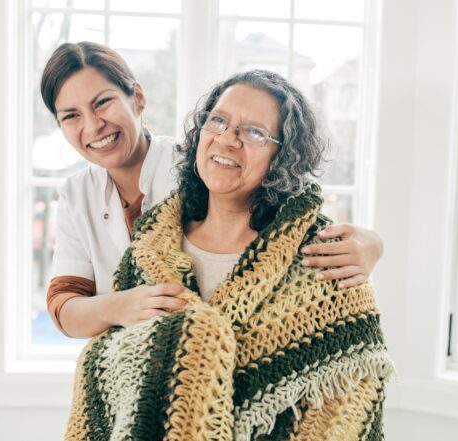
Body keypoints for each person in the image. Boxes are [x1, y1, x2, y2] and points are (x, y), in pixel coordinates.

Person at [64, 69, 393, 440]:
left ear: (284, 155)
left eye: (253, 132)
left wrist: (375, 243)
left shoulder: (325, 262)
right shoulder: (149, 249)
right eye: (218, 121)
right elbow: (104, 364)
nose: (227, 139)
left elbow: (346, 411)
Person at [40, 42, 384, 338]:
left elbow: (288, 195)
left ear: (138, 98)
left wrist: (372, 244)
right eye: (71, 116)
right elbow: (63, 306)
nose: (93, 125)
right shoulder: (76, 195)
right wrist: (118, 306)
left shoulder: (204, 164)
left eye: (102, 103)